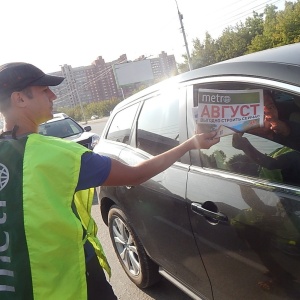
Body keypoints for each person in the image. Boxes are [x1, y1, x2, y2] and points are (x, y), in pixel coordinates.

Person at [0, 62, 219, 300]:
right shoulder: (57, 155)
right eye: (44, 90)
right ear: (20, 99)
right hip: (68, 285)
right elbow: (136, 174)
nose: (53, 95)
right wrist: (191, 143)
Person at [232, 91, 300, 186]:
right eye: (258, 110)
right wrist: (245, 146)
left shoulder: (287, 127)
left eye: (271, 107)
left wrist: (288, 130)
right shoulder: (240, 139)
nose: (268, 113)